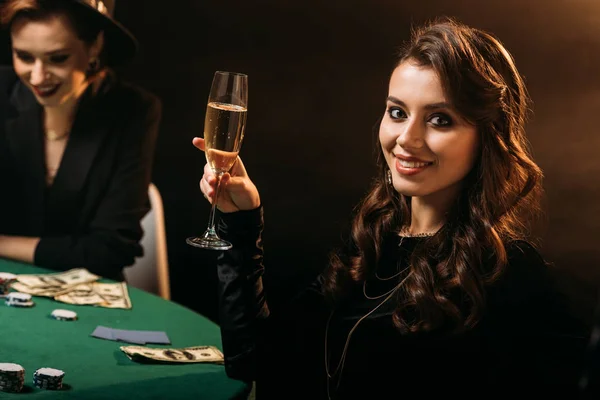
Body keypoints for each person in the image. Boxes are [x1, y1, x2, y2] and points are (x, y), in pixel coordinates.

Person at [193, 18, 589, 399]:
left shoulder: (511, 273)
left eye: (440, 119)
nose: (406, 139)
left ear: (486, 137)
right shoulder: (368, 246)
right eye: (397, 112)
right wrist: (239, 223)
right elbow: (258, 360)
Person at [0, 0, 160, 281]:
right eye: (24, 56)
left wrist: (2, 244)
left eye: (58, 58)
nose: (37, 76)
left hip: (90, 297)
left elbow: (110, 251)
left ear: (94, 46)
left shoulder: (133, 110)